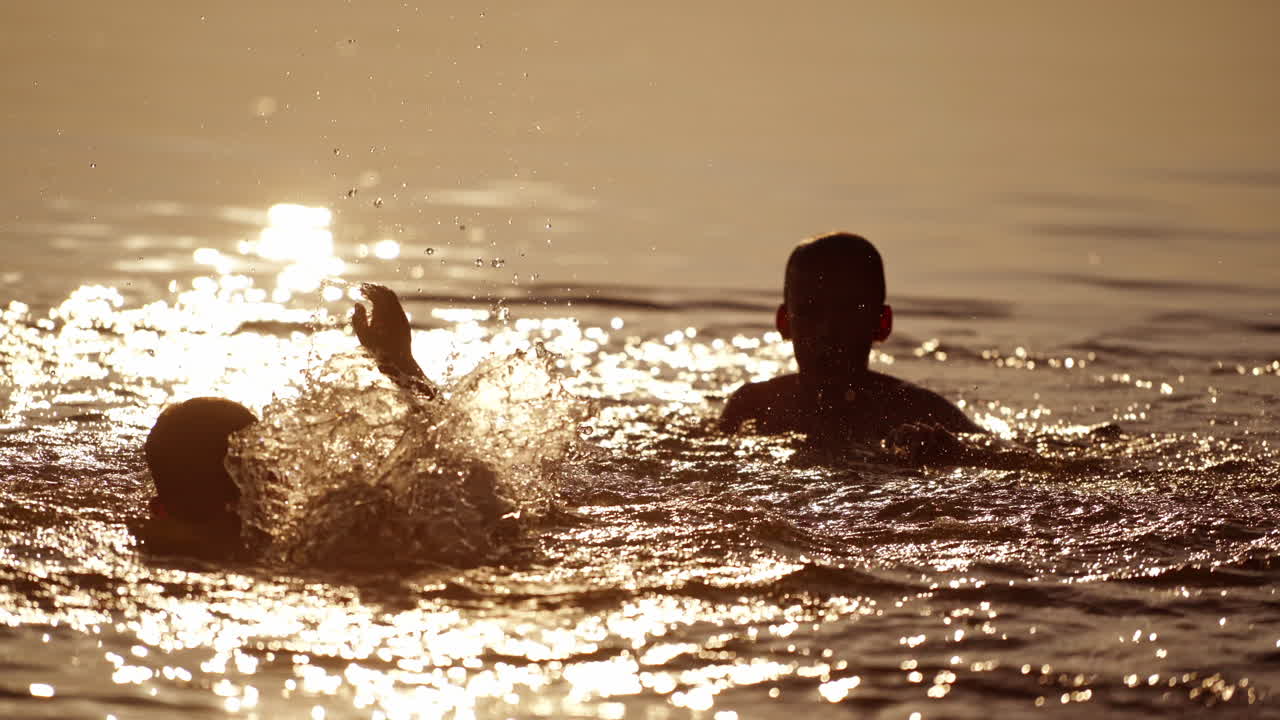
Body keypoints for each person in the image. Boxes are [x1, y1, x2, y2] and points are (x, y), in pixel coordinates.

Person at [136, 283, 432, 554]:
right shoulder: (325, 543)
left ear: (158, 508)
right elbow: (442, 461)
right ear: (268, 478)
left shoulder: (152, 550)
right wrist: (401, 366)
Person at [720, 232, 981, 445]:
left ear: (881, 324)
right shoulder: (754, 406)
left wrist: (953, 454)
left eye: (847, 313)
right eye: (811, 313)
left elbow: (1009, 463)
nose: (827, 331)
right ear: (784, 322)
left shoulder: (919, 412)